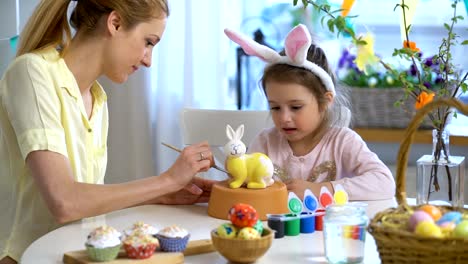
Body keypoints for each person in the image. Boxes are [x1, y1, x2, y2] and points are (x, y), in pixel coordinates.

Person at [0, 1, 217, 263]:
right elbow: (64, 202)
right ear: (115, 23)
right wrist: (167, 180)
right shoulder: (32, 72)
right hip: (27, 257)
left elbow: (85, 205)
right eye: (149, 42)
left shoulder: (97, 99)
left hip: (79, 253)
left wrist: (166, 193)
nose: (148, 60)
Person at [224, 24, 395, 201]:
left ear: (326, 101)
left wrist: (320, 189)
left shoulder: (342, 142)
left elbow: (384, 182)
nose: (284, 118)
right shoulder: (265, 143)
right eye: (275, 107)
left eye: (296, 107)